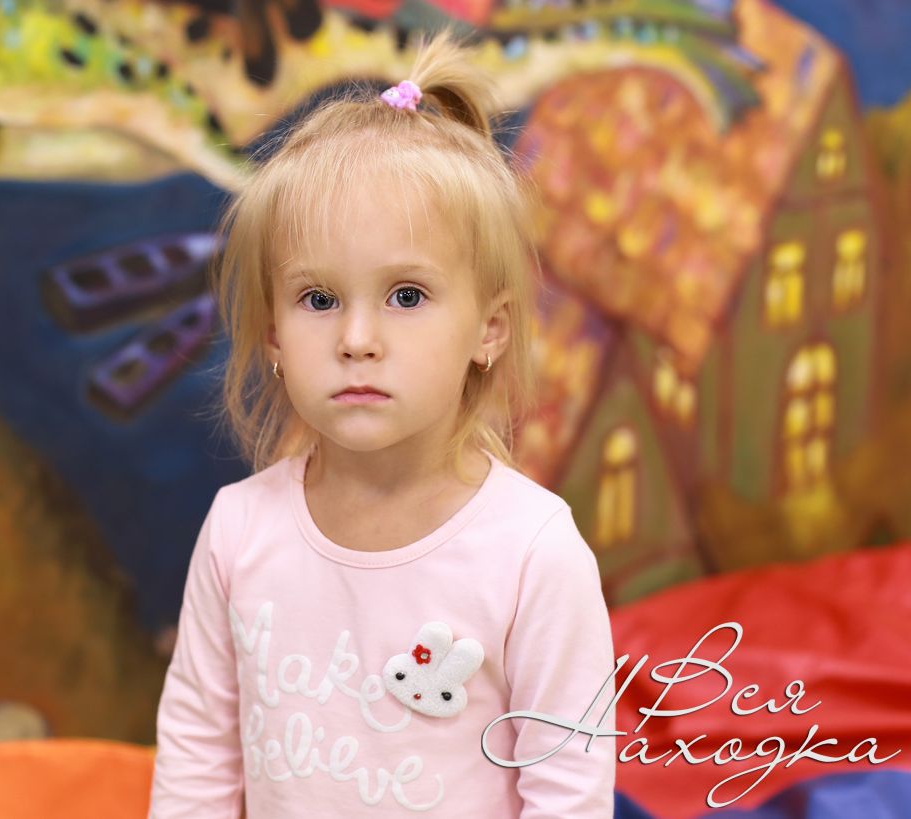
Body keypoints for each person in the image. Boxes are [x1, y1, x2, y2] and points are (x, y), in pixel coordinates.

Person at [148, 28, 618, 818]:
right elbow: (197, 760)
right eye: (318, 299)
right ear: (273, 336)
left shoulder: (532, 552)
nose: (357, 338)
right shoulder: (239, 531)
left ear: (489, 330)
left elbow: (566, 792)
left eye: (406, 295)